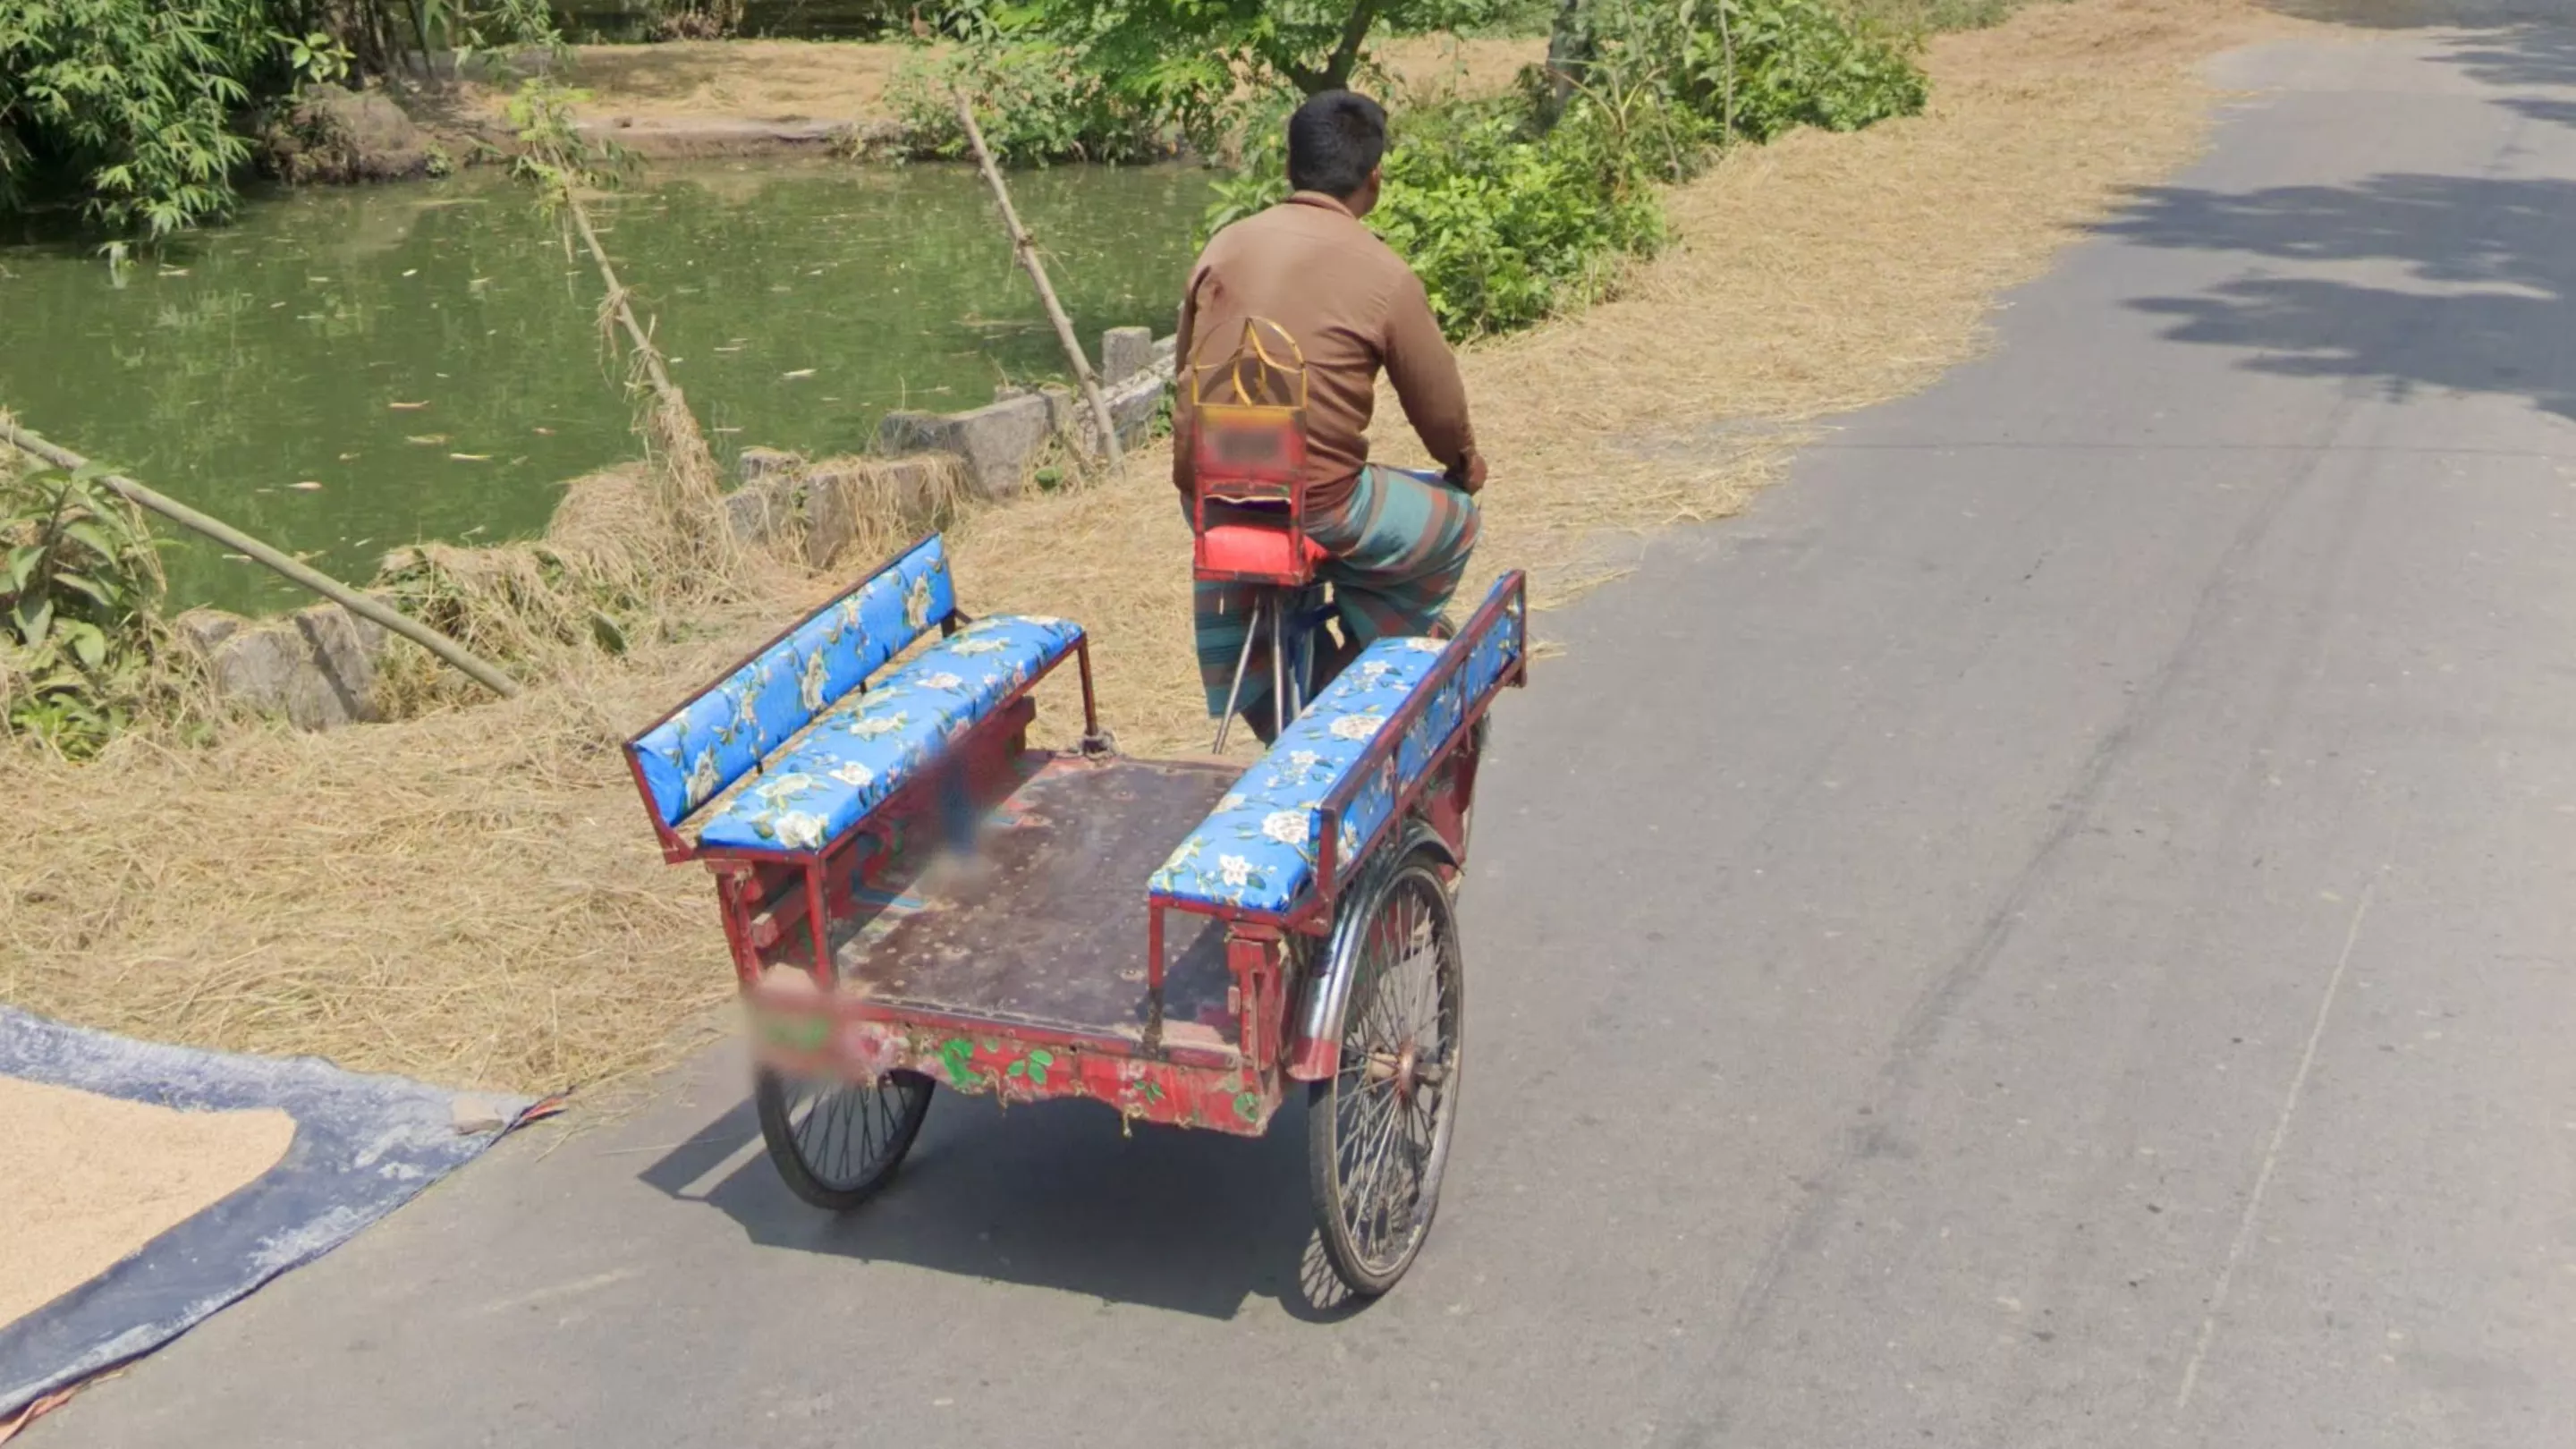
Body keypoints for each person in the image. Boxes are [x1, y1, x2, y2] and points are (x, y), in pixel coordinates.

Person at [1173, 89, 1487, 737]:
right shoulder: (1383, 272)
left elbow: (1186, 369)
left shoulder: (1223, 247)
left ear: (1291, 165)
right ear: (1374, 178)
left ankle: (1259, 688)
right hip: (1324, 506)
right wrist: (1462, 464)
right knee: (1456, 520)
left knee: (1237, 535)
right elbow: (1438, 408)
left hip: (1212, 497)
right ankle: (1356, 672)